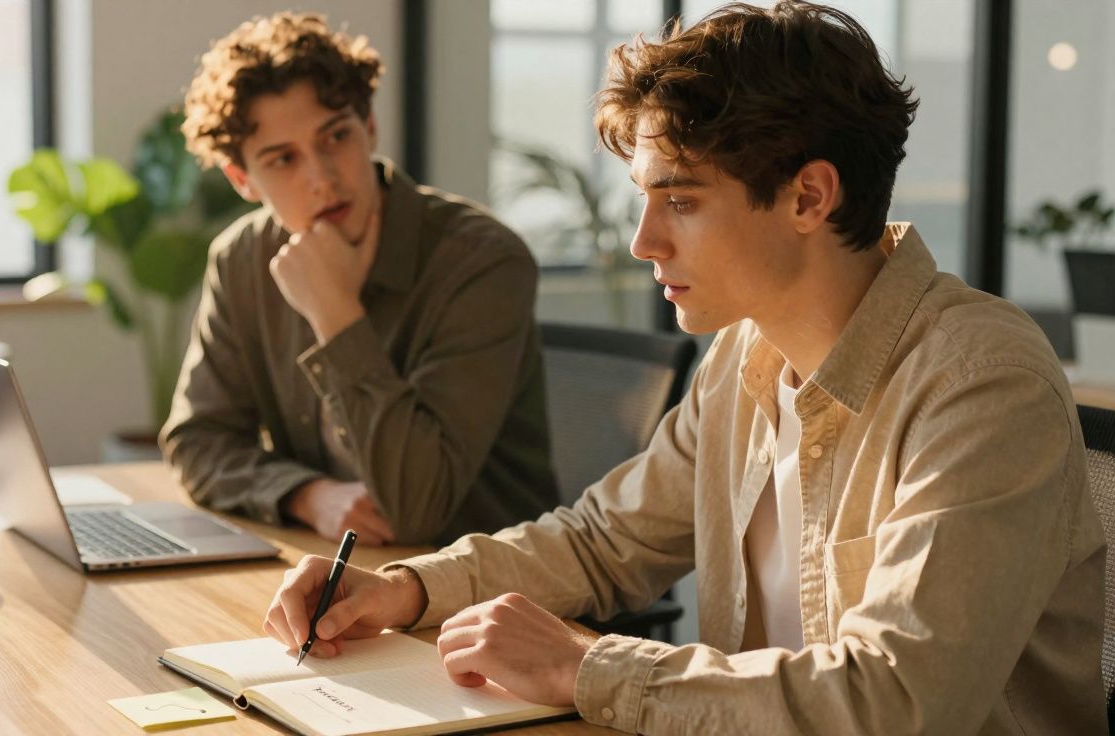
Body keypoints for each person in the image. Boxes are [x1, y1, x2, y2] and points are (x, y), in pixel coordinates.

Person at [263, 2, 1107, 732]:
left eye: (681, 201)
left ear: (810, 197)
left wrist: (584, 667)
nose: (643, 241)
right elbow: (603, 543)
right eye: (645, 199)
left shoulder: (980, 383)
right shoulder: (746, 353)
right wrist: (405, 589)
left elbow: (895, 700)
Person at [161, 12, 558, 547]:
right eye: (283, 159)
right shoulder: (243, 260)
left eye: (336, 136)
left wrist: (336, 314)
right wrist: (307, 496)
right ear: (242, 180)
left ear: (368, 126)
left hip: (484, 577)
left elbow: (417, 508)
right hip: (339, 564)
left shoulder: (482, 260)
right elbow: (197, 440)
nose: (322, 179)